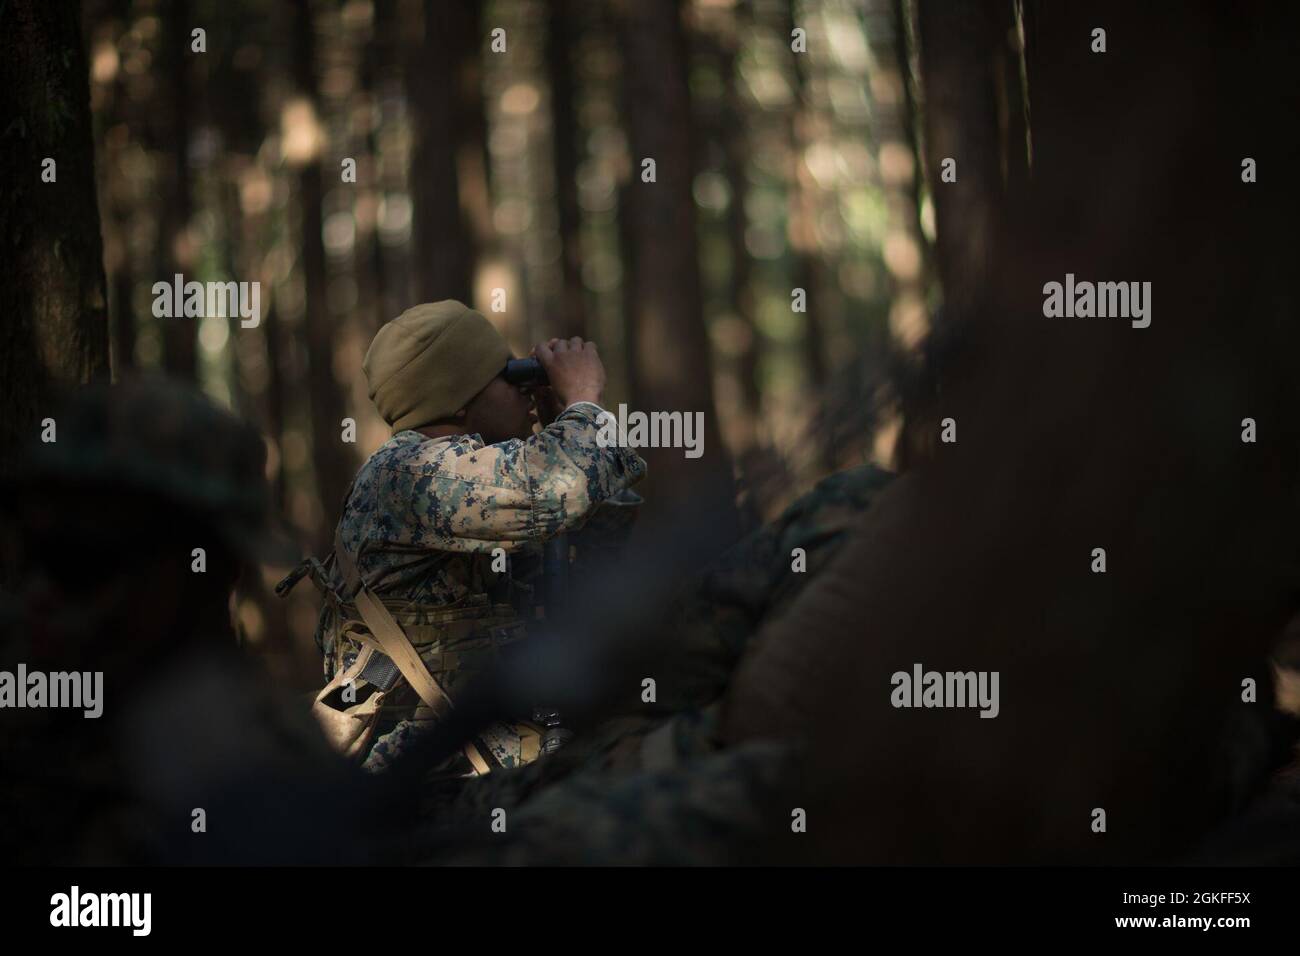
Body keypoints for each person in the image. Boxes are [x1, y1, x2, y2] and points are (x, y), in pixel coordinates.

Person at [0, 378, 383, 864]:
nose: (40, 594)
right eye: (30, 556)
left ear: (207, 574)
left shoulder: (256, 754)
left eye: (82, 562)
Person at [279, 300, 646, 778]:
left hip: (490, 762)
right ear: (457, 398)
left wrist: (564, 422)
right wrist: (583, 403)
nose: (527, 393)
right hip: (433, 783)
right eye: (509, 378)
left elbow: (598, 542)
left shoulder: (479, 480)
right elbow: (562, 486)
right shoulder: (409, 474)